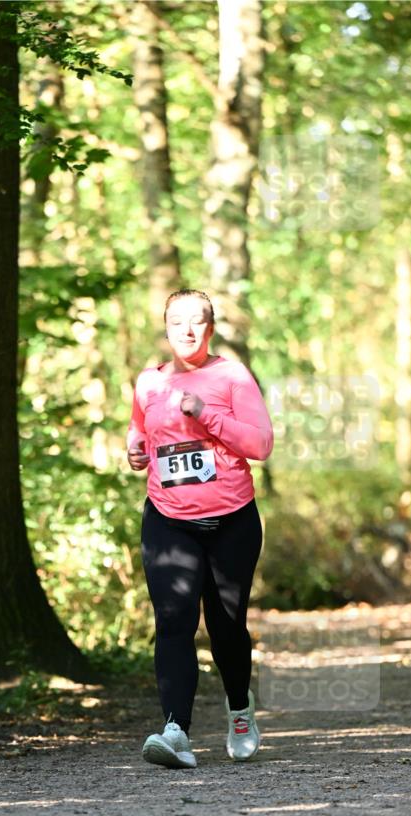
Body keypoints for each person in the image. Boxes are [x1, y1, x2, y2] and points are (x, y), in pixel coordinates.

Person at [126, 288, 274, 769]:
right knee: (173, 621)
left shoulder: (231, 375)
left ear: (210, 327)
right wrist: (134, 449)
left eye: (197, 321)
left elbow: (261, 443)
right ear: (165, 328)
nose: (187, 331)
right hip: (168, 519)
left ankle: (238, 708)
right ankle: (175, 731)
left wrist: (205, 414)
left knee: (226, 627)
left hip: (231, 520)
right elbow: (140, 429)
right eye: (177, 322)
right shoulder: (149, 382)